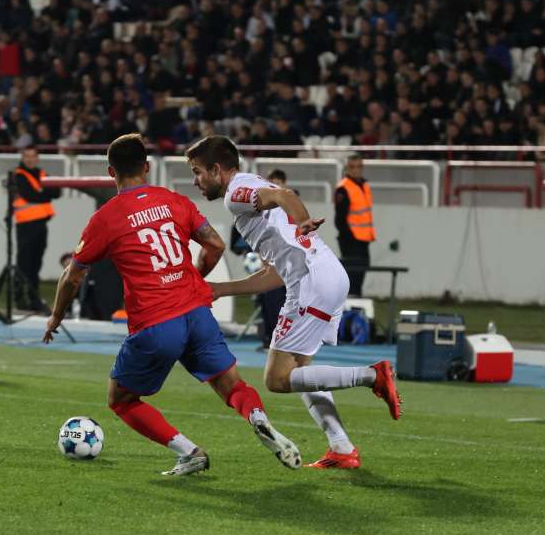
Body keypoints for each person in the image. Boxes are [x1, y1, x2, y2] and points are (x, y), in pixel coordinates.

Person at [43, 133, 301, 477]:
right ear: (147, 167)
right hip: (197, 313)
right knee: (232, 385)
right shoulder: (174, 201)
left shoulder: (106, 218)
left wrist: (56, 316)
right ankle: (257, 417)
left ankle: (189, 452)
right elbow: (215, 244)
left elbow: (73, 276)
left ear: (111, 172)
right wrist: (195, 277)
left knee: (121, 400)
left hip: (155, 322)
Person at [186, 135, 401, 472]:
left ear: (216, 169)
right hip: (324, 275)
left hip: (310, 282)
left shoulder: (236, 194)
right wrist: (221, 290)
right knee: (300, 370)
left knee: (276, 379)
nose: (195, 181)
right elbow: (274, 274)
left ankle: (372, 376)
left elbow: (284, 196)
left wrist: (302, 221)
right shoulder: (250, 186)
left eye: (197, 172)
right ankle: (342, 448)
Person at [11, 145, 61, 312]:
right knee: (24, 263)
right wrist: (44, 193)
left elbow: (57, 192)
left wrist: (42, 193)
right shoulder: (18, 175)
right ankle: (19, 298)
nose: (30, 159)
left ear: (37, 158)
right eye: (27, 156)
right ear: (22, 157)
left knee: (36, 264)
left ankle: (33, 298)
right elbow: (31, 195)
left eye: (33, 156)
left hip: (40, 224)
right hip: (26, 225)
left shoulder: (41, 173)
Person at [255, 169, 289, 349]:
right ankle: (271, 337)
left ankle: (284, 340)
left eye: (278, 183)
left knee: (285, 303)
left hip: (289, 262)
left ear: (284, 184)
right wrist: (263, 258)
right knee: (269, 301)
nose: (275, 186)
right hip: (272, 261)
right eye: (272, 183)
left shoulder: (291, 205)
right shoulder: (263, 208)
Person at [334, 154, 377, 296]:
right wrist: (350, 238)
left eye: (359, 166)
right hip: (351, 241)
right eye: (352, 167)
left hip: (363, 239)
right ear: (347, 168)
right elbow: (340, 220)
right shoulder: (343, 188)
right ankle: (350, 304)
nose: (356, 170)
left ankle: (356, 303)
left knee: (360, 275)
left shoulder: (364, 185)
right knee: (353, 277)